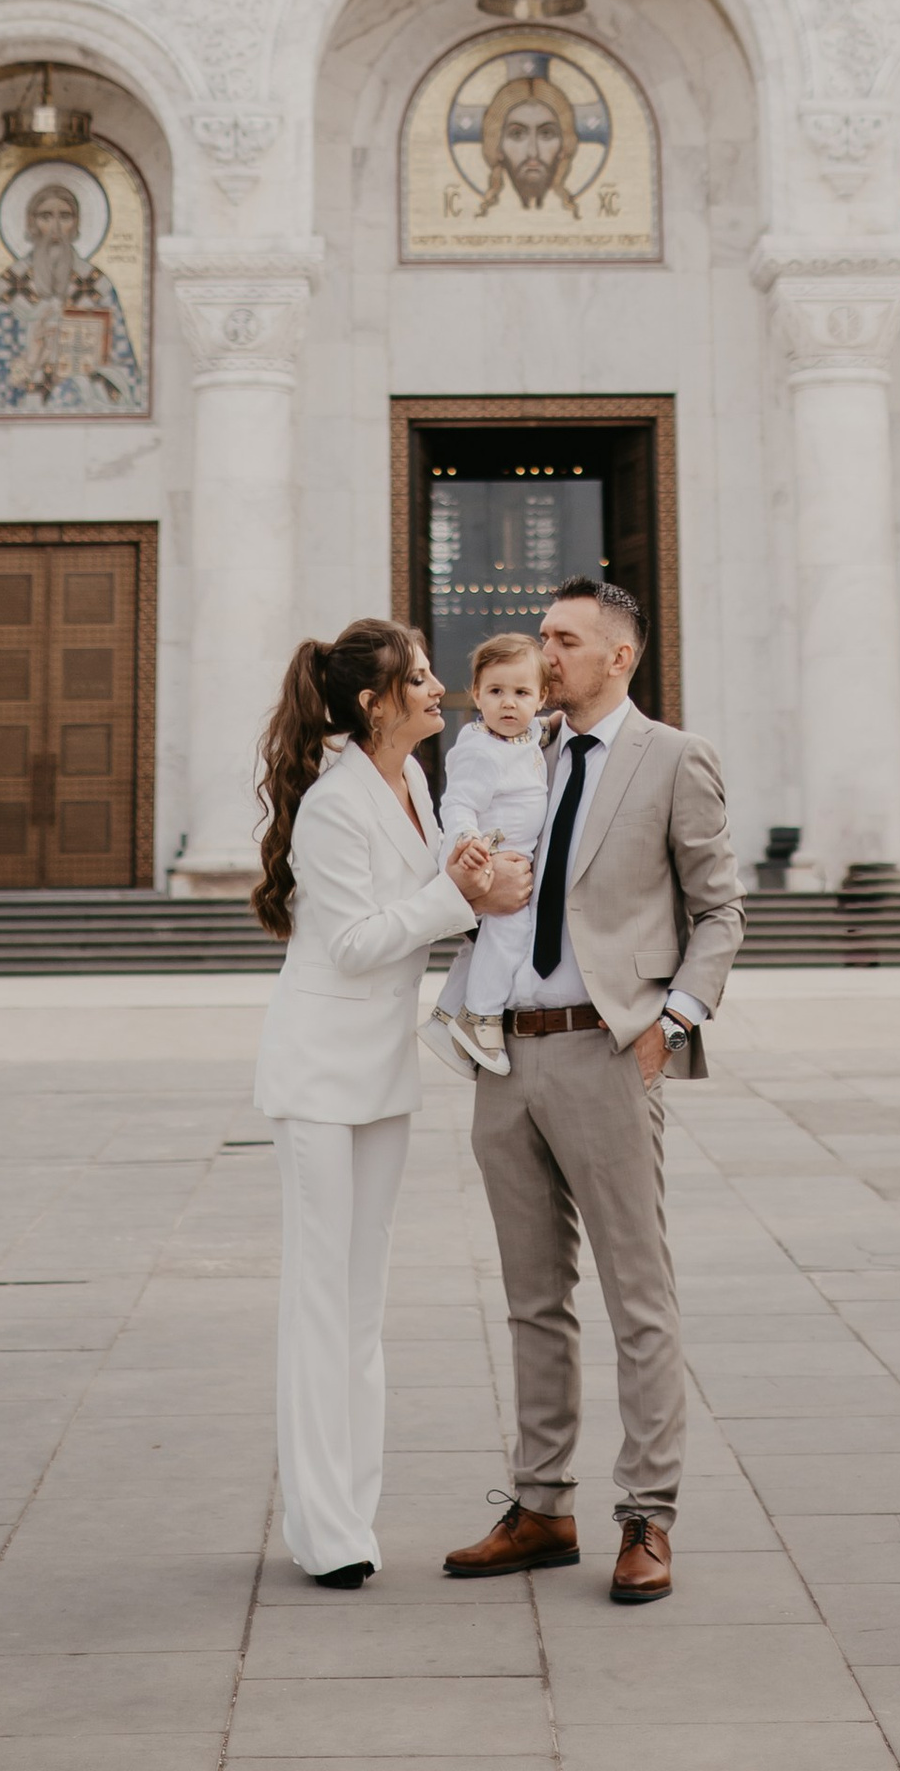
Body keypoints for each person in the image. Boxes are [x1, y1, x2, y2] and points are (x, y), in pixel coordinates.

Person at [444, 574, 743, 1610]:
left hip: (607, 1050)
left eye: (564, 639)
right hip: (506, 1055)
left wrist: (675, 1021)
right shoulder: (515, 748)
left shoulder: (674, 758)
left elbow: (720, 910)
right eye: (542, 635)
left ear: (620, 655)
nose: (545, 653)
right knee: (532, 1297)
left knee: (636, 1295)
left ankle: (646, 1515)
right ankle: (541, 1506)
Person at [250, 620, 533, 1589]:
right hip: (317, 1075)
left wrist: (480, 881)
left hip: (378, 1072)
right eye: (417, 677)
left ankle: (351, 1514)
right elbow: (355, 943)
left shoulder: (411, 779)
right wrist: (460, 897)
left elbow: (427, 902)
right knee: (319, 1300)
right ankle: (322, 1529)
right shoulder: (334, 804)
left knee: (362, 1301)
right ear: (374, 703)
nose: (437, 687)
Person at [433, 634, 554, 1072]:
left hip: (508, 856)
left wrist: (555, 721)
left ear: (541, 698)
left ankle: (445, 1017)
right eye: (496, 691)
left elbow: (543, 727)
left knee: (480, 946)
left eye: (521, 693)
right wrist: (468, 839)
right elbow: (457, 802)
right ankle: (479, 1017)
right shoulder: (480, 751)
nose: (508, 703)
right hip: (486, 857)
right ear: (477, 694)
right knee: (509, 933)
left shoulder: (528, 733)